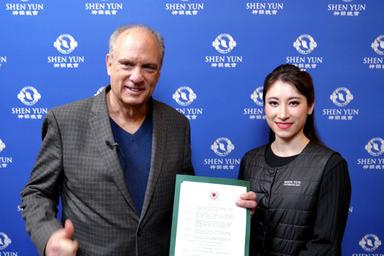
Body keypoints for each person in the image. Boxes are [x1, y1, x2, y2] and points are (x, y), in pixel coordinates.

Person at [20, 24, 256, 256]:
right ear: (109, 63)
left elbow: (187, 198)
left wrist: (233, 213)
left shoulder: (177, 125)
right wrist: (48, 236)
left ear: (159, 72)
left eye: (148, 67)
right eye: (127, 64)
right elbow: (36, 193)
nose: (137, 76)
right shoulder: (65, 121)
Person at [239, 64, 351, 256]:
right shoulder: (250, 160)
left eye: (293, 103)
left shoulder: (331, 166)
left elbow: (325, 246)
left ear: (310, 105)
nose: (282, 114)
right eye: (273, 103)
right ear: (264, 106)